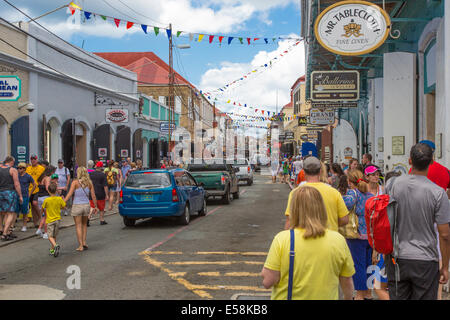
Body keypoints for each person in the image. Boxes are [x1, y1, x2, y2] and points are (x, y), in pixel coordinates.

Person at [262, 186, 355, 300]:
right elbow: (347, 281)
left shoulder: (282, 239)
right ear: (321, 208)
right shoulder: (338, 240)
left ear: (294, 209)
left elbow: (268, 281)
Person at [386, 143, 450, 300]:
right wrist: (445, 267)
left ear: (409, 161)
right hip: (425, 259)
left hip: (397, 256)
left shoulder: (392, 185)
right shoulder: (438, 193)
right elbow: (445, 234)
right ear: (431, 162)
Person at [284, 156, 349, 231]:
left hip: (303, 238)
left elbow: (290, 221)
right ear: (321, 171)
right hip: (329, 238)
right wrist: (332, 223)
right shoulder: (334, 192)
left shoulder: (295, 192)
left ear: (304, 172)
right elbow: (344, 220)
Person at [344, 169, 376, 300]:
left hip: (356, 235)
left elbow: (346, 204)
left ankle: (359, 295)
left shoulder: (353, 193)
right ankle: (368, 293)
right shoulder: (369, 195)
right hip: (369, 235)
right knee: (369, 265)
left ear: (350, 182)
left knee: (358, 266)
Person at [64, 167, 98, 251]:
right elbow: (93, 195)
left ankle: (80, 246)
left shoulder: (75, 182)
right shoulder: (89, 183)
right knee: (84, 225)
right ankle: (84, 242)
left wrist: (63, 202)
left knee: (78, 226)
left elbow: (69, 194)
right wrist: (96, 206)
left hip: (77, 205)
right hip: (86, 205)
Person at [0, 156, 23, 241]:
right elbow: (16, 184)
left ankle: (1, 229)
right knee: (10, 213)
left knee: (1, 212)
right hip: (9, 192)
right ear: (11, 162)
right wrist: (20, 196)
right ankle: (5, 234)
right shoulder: (13, 170)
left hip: (0, 192)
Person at [41, 183, 65, 257]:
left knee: (49, 236)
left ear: (48, 191)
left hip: (50, 220)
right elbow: (63, 207)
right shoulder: (59, 199)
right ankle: (52, 250)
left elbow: (42, 208)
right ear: (56, 190)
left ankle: (55, 245)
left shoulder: (47, 200)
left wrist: (41, 214)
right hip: (57, 219)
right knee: (54, 236)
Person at [35, 165, 56, 239]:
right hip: (45, 198)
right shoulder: (47, 178)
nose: (54, 173)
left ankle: (39, 229)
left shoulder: (42, 177)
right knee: (47, 217)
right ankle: (46, 233)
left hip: (40, 198)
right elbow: (47, 188)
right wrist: (52, 196)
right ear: (51, 171)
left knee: (44, 215)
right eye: (54, 172)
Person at [26, 155, 45, 228]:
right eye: (32, 159)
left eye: (34, 159)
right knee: (32, 207)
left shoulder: (41, 168)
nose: (33, 160)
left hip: (38, 189)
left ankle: (41, 218)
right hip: (29, 189)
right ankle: (35, 223)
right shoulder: (28, 168)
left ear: (37, 160)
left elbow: (44, 177)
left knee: (35, 203)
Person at [17, 162, 36, 232]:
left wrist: (30, 193)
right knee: (15, 212)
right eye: (18, 168)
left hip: (25, 196)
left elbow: (34, 185)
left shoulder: (28, 176)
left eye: (20, 168)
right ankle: (11, 226)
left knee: (25, 212)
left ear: (24, 169)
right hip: (17, 195)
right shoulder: (16, 175)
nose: (19, 170)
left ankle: (24, 226)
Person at [89, 161, 109, 225]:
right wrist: (107, 194)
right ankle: (102, 220)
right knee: (101, 207)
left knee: (92, 206)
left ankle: (88, 218)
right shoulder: (103, 175)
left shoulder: (91, 174)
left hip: (92, 192)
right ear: (101, 167)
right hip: (101, 193)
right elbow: (105, 186)